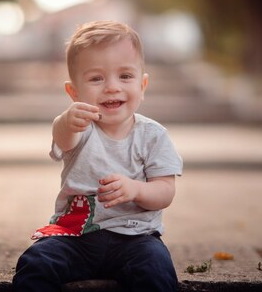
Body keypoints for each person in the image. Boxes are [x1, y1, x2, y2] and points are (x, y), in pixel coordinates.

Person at [12, 20, 183, 291]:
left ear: (143, 84)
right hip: (74, 237)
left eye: (125, 76)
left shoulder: (153, 135)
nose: (112, 87)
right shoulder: (80, 128)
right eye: (96, 78)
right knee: (36, 261)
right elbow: (63, 138)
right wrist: (66, 121)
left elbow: (165, 191)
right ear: (74, 92)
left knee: (156, 266)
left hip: (136, 238)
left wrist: (136, 189)